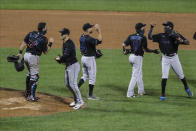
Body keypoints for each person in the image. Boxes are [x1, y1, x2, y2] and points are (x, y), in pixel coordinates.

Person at [148, 21, 193, 101]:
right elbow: (150, 37)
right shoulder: (161, 35)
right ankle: (163, 95)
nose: (164, 27)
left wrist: (180, 40)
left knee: (181, 76)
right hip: (165, 58)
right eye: (164, 26)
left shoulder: (176, 35)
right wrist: (151, 28)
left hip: (174, 58)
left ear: (170, 27)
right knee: (164, 77)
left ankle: (187, 88)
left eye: (166, 26)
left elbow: (187, 42)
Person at [17, 22, 54, 101]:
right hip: (33, 58)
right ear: (43, 28)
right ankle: (31, 96)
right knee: (35, 77)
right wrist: (50, 43)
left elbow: (24, 43)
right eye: (46, 27)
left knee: (29, 74)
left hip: (26, 55)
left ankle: (27, 93)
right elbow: (46, 52)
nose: (46, 29)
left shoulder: (31, 33)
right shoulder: (44, 39)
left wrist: (20, 52)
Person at [122, 22, 159, 98]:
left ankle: (141, 91)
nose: (144, 29)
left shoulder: (131, 36)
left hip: (131, 57)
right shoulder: (143, 37)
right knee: (135, 76)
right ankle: (129, 94)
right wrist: (153, 51)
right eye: (143, 27)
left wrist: (124, 51)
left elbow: (123, 45)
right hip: (137, 58)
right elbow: (145, 49)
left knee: (139, 73)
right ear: (140, 29)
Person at [55, 28, 84, 110]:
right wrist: (60, 60)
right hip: (68, 66)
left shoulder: (70, 44)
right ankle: (75, 100)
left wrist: (60, 58)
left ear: (66, 34)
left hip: (73, 66)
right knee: (68, 84)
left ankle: (80, 101)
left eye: (62, 33)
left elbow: (66, 55)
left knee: (73, 84)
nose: (60, 35)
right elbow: (65, 57)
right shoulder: (64, 43)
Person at [77, 23, 102, 100]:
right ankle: (90, 95)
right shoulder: (89, 39)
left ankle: (76, 89)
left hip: (83, 58)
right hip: (90, 59)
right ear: (88, 29)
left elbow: (89, 46)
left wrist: (94, 51)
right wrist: (99, 31)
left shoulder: (81, 37)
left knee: (85, 76)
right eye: (91, 28)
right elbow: (99, 41)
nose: (92, 29)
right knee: (92, 77)